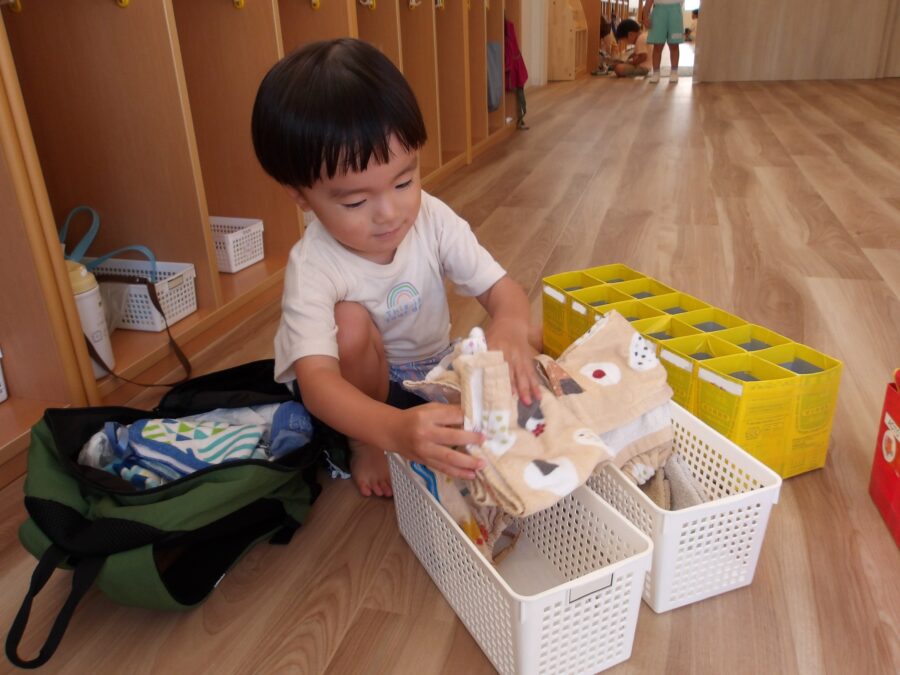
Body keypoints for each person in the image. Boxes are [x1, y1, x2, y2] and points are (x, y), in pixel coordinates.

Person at [251, 39, 543, 499]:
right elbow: (318, 384)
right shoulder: (313, 266)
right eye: (355, 201)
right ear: (301, 195)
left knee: (530, 340)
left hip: (431, 368)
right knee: (348, 323)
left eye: (404, 181)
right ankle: (363, 443)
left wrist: (508, 326)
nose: (389, 213)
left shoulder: (431, 217)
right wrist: (387, 431)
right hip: (362, 394)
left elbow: (501, 290)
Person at [642, 0, 684, 83]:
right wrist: (645, 17)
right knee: (657, 45)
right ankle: (656, 72)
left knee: (674, 44)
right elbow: (649, 1)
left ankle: (674, 71)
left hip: (675, 10)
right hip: (659, 11)